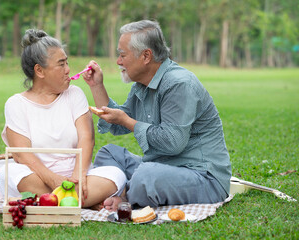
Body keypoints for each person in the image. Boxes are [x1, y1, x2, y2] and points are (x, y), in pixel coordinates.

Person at [83, 20, 232, 210]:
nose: (118, 61)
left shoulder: (179, 84)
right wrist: (97, 86)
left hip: (203, 177)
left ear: (146, 56)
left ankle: (124, 196)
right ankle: (125, 193)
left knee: (146, 176)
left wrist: (127, 121)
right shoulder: (142, 84)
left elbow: (172, 142)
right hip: (162, 167)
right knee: (109, 153)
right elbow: (119, 123)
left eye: (122, 55)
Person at [0, 29, 126, 208]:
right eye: (61, 64)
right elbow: (21, 153)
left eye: (67, 62)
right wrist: (54, 179)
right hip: (39, 177)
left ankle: (56, 200)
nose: (68, 70)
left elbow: (86, 138)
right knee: (7, 174)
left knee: (116, 174)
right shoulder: (16, 103)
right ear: (39, 71)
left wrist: (79, 176)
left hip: (77, 177)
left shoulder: (75, 94)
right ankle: (81, 200)